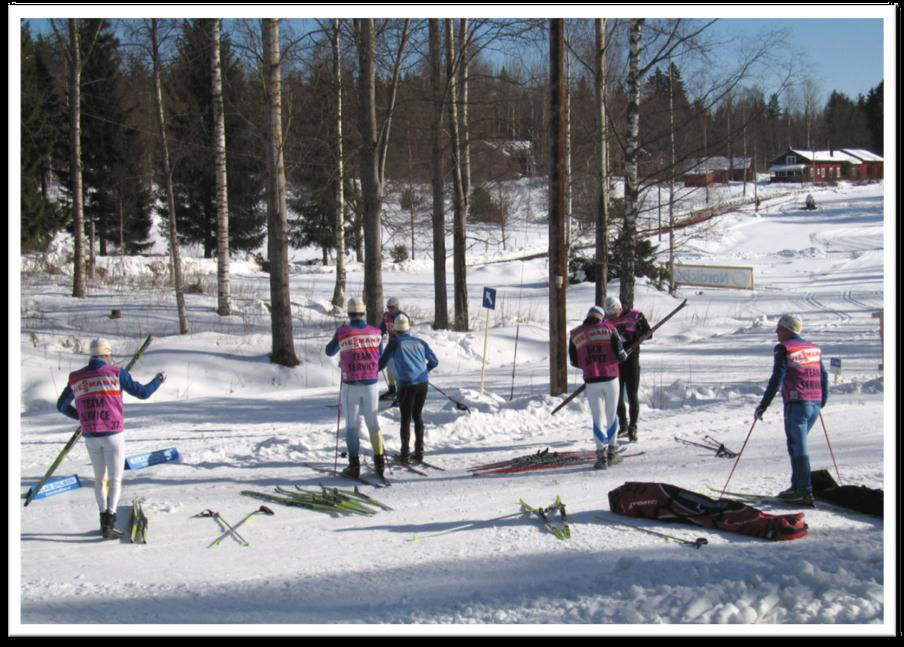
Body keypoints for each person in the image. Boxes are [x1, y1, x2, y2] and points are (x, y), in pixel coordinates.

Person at [56, 338, 166, 539]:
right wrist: (159, 379)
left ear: (91, 354)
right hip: (113, 433)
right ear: (107, 354)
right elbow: (143, 393)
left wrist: (81, 418)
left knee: (99, 478)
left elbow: (61, 406)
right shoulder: (116, 372)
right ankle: (110, 519)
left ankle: (102, 519)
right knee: (115, 478)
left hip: (90, 434)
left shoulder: (76, 377)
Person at [754, 314, 828, 506]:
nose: (776, 331)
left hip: (797, 404)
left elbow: (777, 377)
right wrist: (822, 400)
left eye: (779, 328)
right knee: (795, 446)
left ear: (788, 330)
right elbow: (824, 375)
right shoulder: (812, 348)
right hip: (814, 403)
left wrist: (764, 404)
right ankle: (796, 487)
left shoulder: (784, 348)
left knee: (798, 447)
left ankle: (804, 491)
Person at [325, 298, 387, 479]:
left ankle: (354, 465)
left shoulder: (343, 332)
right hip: (371, 383)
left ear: (349, 313)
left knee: (351, 425)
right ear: (364, 312)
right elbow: (380, 357)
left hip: (351, 383)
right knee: (373, 423)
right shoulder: (376, 332)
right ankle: (379, 462)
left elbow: (329, 351)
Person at [569, 305, 628, 470]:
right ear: (601, 317)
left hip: (591, 379)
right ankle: (612, 452)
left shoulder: (575, 334)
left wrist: (590, 365)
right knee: (611, 414)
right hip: (610, 377)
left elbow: (574, 361)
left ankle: (601, 456)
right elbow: (620, 354)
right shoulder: (610, 328)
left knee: (597, 417)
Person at [378, 314, 439, 463]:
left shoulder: (394, 343)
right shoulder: (420, 342)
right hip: (422, 384)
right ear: (408, 328)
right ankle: (419, 451)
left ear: (395, 329)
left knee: (405, 418)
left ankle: (404, 453)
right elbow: (434, 361)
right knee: (417, 416)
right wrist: (423, 371)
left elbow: (381, 364)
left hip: (406, 385)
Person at [603, 296, 652, 442]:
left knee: (632, 394)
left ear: (619, 307)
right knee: (616, 396)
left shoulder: (635, 315)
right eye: (610, 315)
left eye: (614, 314)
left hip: (631, 360)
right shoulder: (605, 320)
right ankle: (623, 425)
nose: (612, 317)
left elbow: (649, 333)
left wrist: (632, 336)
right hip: (615, 362)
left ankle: (633, 427)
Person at [379, 297, 407, 403]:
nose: (390, 309)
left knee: (398, 369)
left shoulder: (402, 317)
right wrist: (377, 338)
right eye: (388, 307)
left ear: (397, 307)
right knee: (389, 366)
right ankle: (392, 389)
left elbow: (407, 331)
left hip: (400, 344)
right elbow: (381, 329)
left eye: (392, 307)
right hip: (391, 343)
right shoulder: (386, 316)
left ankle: (401, 393)